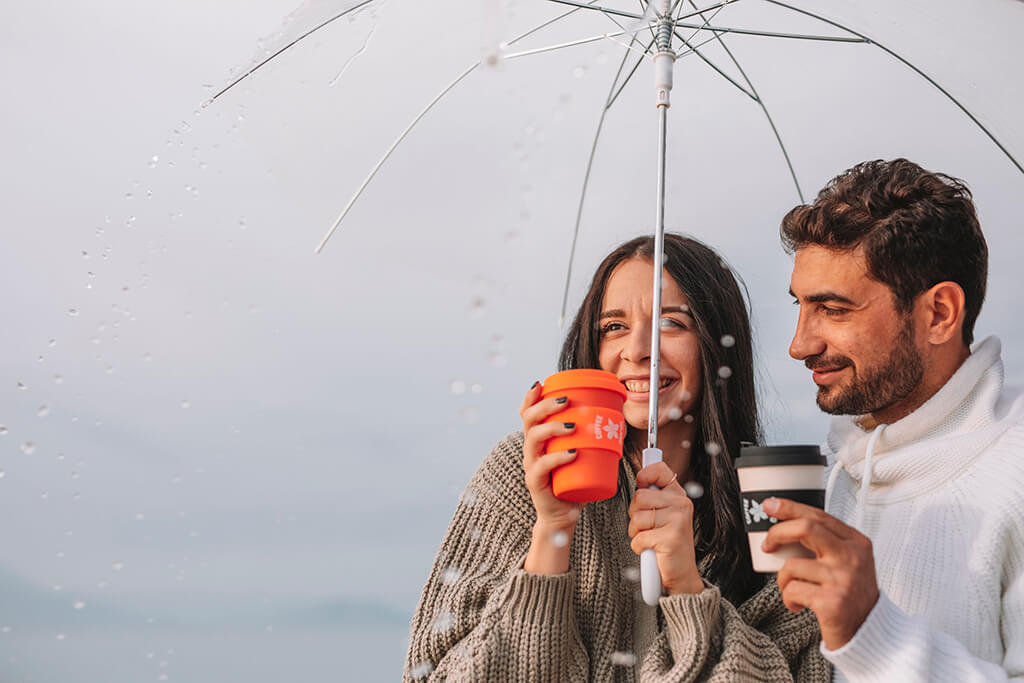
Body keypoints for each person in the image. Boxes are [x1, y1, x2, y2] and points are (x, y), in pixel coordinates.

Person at [403, 234, 830, 681]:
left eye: (671, 322)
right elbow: (431, 673)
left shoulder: (776, 494)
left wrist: (687, 588)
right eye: (613, 327)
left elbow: (802, 673)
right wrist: (552, 533)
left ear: (717, 345)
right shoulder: (524, 471)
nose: (637, 351)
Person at [771, 158, 1024, 680]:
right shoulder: (837, 471)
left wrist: (873, 635)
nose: (800, 345)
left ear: (939, 314)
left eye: (834, 310)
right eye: (799, 305)